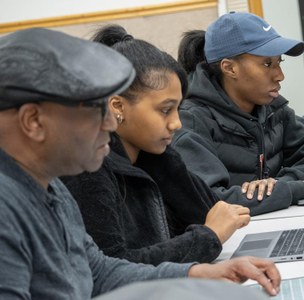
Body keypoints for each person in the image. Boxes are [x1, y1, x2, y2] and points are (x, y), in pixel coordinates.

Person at [0, 27, 281, 299]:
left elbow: (98, 271)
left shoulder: (50, 188)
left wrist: (196, 273)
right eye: (95, 109)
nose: (111, 123)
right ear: (33, 122)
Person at [62, 24, 250, 265]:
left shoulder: (148, 154)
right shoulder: (88, 169)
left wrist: (163, 158)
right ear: (117, 107)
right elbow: (113, 266)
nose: (176, 123)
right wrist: (208, 237)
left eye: (177, 109)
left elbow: (209, 212)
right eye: (165, 110)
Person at [172, 12, 304, 216]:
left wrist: (279, 185)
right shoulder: (190, 122)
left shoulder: (273, 109)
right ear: (229, 68)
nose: (280, 76)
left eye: (279, 62)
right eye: (267, 64)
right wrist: (302, 188)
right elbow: (212, 203)